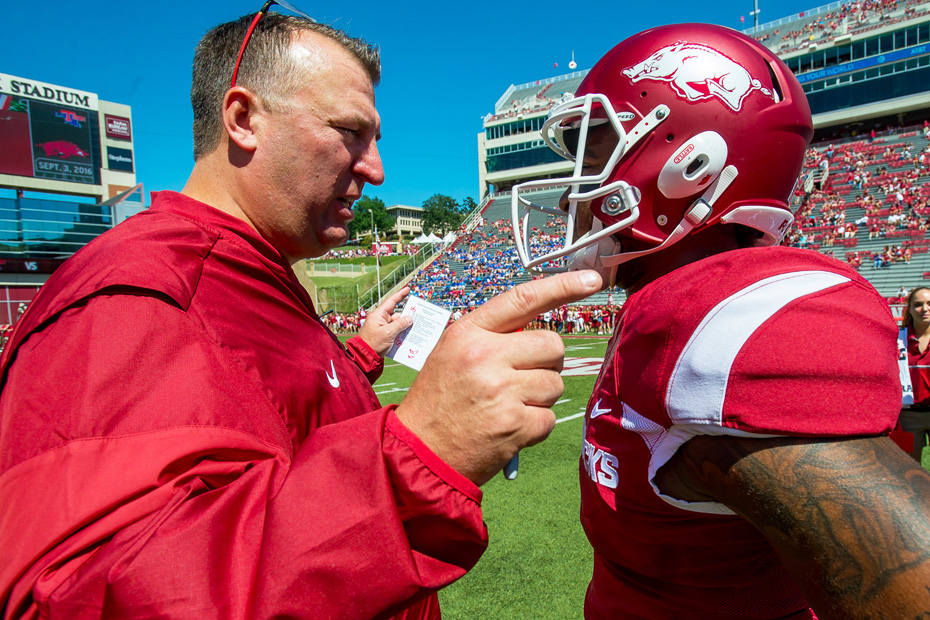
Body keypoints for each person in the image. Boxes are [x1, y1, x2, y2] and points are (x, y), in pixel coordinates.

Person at [0, 8, 603, 619]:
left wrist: (359, 356)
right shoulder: (138, 296)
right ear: (244, 120)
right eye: (349, 131)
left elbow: (264, 411)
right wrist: (418, 455)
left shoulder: (252, 267)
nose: (376, 169)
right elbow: (80, 599)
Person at [510, 23, 930, 620]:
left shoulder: (719, 316)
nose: (571, 195)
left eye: (595, 155)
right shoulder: (663, 305)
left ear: (690, 163)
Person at [901, 286, 930, 462]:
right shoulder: (897, 339)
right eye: (918, 304)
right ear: (909, 309)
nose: (925, 309)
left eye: (929, 303)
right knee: (911, 473)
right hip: (908, 416)